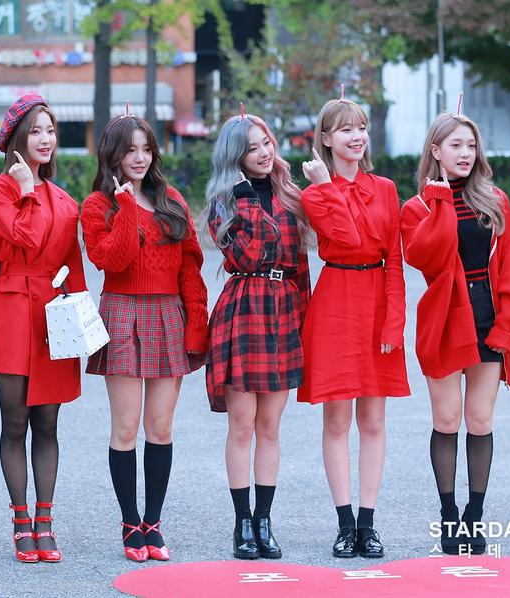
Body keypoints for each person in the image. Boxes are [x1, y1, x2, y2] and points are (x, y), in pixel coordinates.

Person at [401, 112, 510, 555]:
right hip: (444, 319)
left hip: (488, 317)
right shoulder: (417, 208)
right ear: (435, 151)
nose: (465, 153)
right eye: (455, 145)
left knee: (479, 420)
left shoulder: (493, 200)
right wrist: (439, 198)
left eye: (471, 145)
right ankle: (448, 515)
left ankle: (474, 518)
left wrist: (509, 328)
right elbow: (426, 256)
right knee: (446, 420)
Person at [81, 113, 209, 562]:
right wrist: (126, 208)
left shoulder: (171, 199)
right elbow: (111, 261)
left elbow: (191, 265)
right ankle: (129, 522)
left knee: (160, 427)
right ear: (113, 155)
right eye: (130, 150)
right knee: (125, 427)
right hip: (121, 312)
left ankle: (153, 523)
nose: (139, 158)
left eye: (146, 149)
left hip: (168, 313)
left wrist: (196, 322)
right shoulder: (97, 205)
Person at [297, 96, 409, 559]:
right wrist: (327, 186)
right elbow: (346, 236)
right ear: (326, 138)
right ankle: (345, 523)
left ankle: (368, 523)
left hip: (377, 299)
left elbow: (394, 258)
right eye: (345, 129)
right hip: (336, 303)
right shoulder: (313, 193)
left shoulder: (385, 188)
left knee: (374, 420)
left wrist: (395, 321)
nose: (357, 136)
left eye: (361, 127)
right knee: (338, 420)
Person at [203, 111, 311, 560]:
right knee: (243, 424)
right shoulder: (223, 203)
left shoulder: (290, 195)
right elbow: (249, 255)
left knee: (270, 425)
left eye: (266, 142)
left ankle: (265, 521)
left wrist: (305, 322)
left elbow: (300, 265)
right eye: (252, 147)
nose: (264, 152)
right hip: (244, 311)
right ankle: (242, 522)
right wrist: (246, 198)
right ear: (235, 156)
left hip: (283, 309)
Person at [0, 95, 86, 563]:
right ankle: (20, 520)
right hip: (10, 308)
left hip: (53, 311)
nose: (45, 139)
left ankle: (45, 521)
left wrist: (82, 326)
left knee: (48, 422)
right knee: (14, 421)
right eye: (36, 131)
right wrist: (26, 188)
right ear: (18, 139)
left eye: (50, 130)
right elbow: (25, 236)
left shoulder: (65, 199)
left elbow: (72, 266)